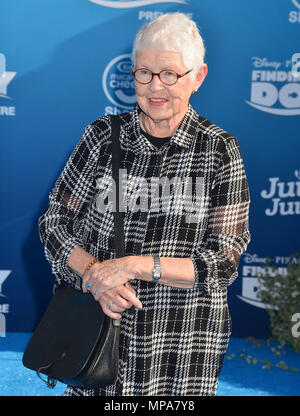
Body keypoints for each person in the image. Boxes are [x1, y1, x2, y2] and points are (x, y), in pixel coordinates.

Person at [38, 12, 250, 396]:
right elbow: (54, 222)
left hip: (182, 349)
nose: (155, 86)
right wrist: (95, 275)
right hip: (99, 341)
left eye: (170, 74)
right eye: (144, 73)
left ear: (197, 77)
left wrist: (135, 266)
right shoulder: (101, 137)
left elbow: (223, 260)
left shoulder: (220, 151)